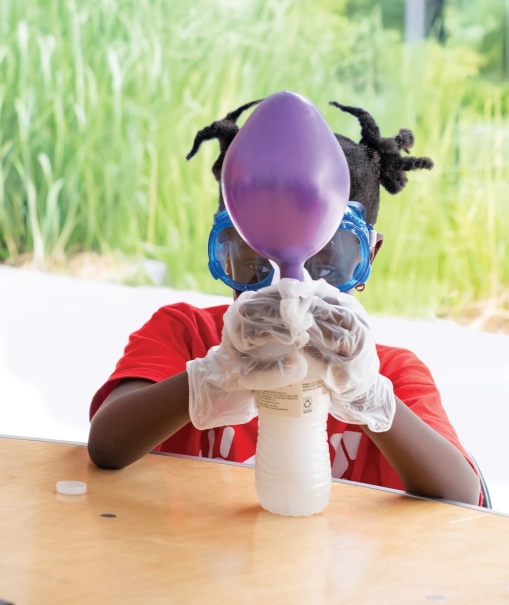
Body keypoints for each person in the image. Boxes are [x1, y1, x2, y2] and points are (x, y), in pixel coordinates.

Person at [87, 101, 482, 505]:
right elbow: (106, 446)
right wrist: (215, 374)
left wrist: (366, 394)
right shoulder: (185, 334)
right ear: (224, 253)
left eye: (325, 262)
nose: (289, 289)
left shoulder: (393, 372)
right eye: (253, 259)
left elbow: (462, 496)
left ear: (368, 256)